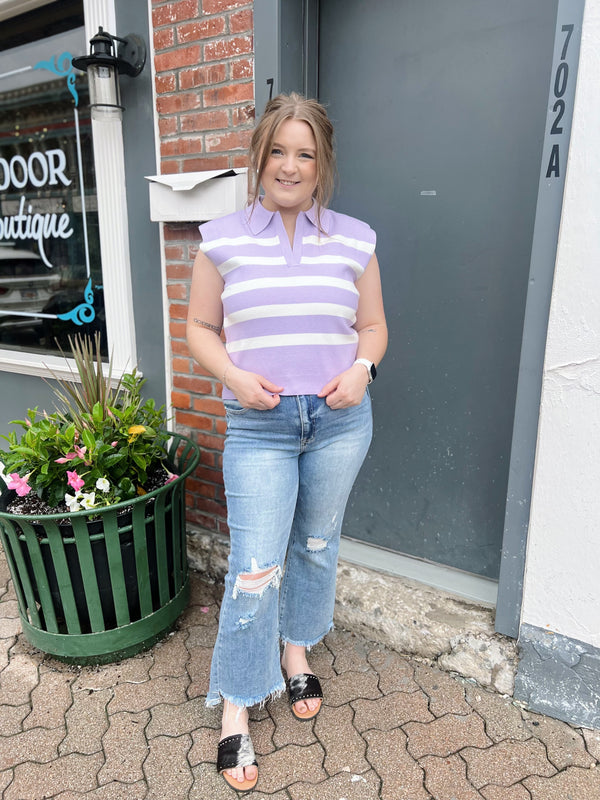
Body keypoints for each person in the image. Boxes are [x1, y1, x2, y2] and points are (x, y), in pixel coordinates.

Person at [186, 92, 387, 792]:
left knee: (314, 545)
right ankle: (237, 706)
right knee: (254, 564)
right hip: (261, 425)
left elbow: (374, 329)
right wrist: (236, 378)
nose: (291, 165)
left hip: (338, 422)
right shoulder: (221, 238)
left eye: (306, 153)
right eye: (279, 150)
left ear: (322, 161)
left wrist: (363, 371)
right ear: (258, 155)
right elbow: (200, 330)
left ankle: (295, 652)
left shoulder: (355, 239)